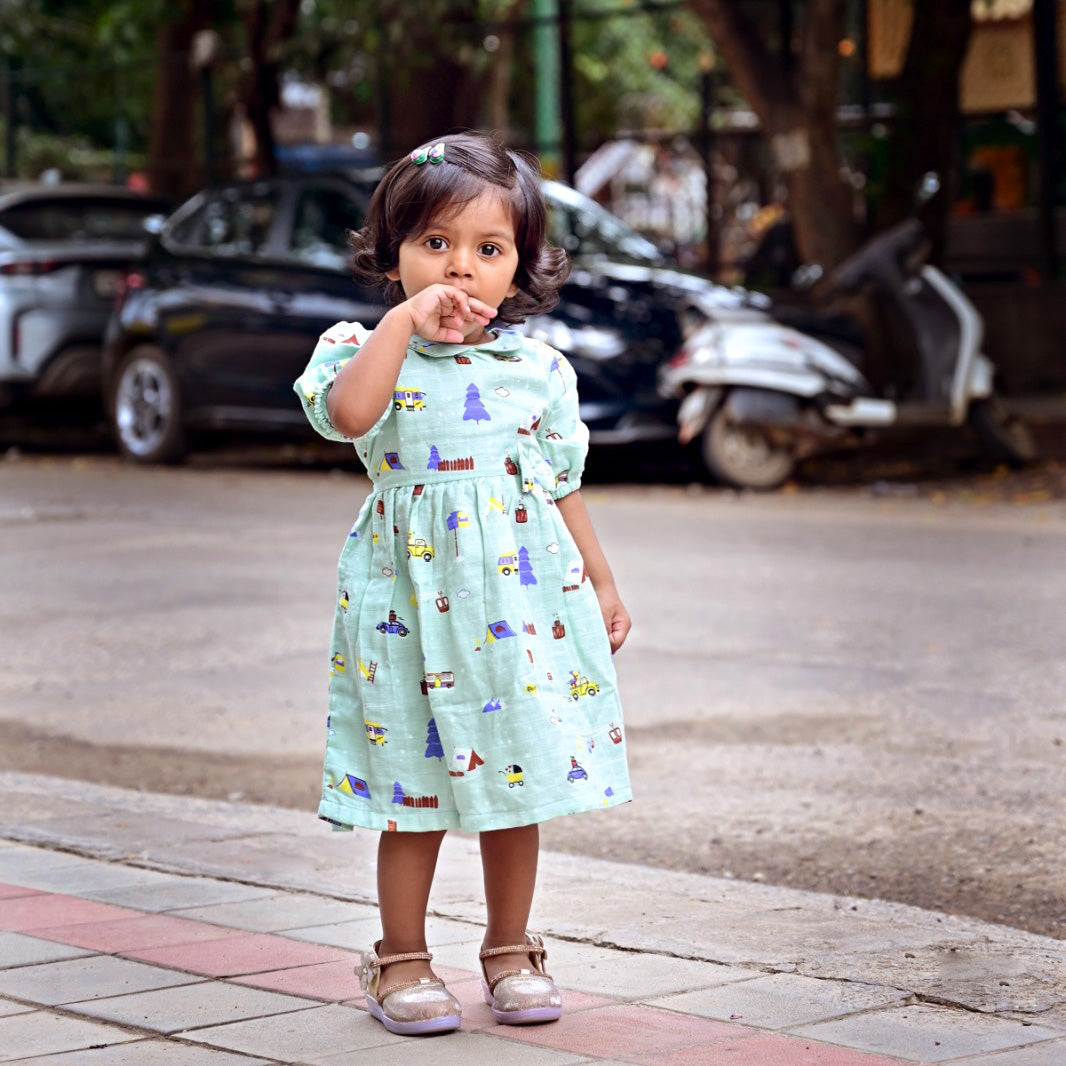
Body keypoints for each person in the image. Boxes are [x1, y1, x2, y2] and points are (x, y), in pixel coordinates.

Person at [293, 130, 632, 1037]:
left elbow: (560, 485)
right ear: (393, 252)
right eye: (435, 244)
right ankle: (400, 958)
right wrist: (401, 325)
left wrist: (601, 583)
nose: (461, 268)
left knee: (515, 783)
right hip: (405, 604)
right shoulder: (361, 349)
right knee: (412, 787)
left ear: (519, 265)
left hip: (518, 609)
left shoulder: (536, 371)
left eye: (489, 250)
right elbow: (349, 417)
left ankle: (511, 948)